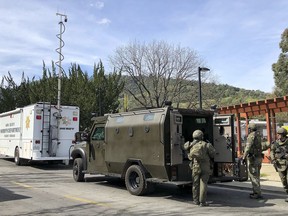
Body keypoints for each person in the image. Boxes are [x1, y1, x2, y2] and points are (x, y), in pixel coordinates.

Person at [188, 129, 216, 207]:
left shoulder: (191, 145)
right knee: (203, 183)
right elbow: (213, 154)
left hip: (196, 166)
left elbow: (189, 156)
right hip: (205, 166)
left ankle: (195, 200)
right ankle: (202, 202)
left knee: (195, 184)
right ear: (201, 136)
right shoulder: (207, 145)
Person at [242, 123, 263, 199]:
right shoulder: (259, 135)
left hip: (253, 159)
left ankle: (257, 193)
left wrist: (244, 157)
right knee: (257, 175)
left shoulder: (251, 136)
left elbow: (248, 147)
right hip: (259, 157)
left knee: (253, 176)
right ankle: (257, 191)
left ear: (250, 129)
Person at [270, 127, 288, 202]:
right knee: (283, 180)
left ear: (283, 135)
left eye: (279, 134)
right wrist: (273, 159)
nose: (278, 135)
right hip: (280, 164)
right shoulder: (276, 143)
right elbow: (272, 151)